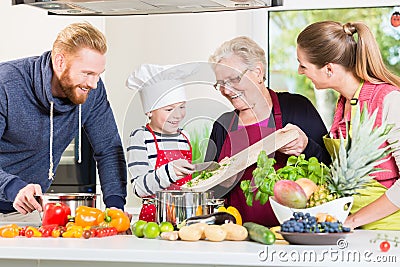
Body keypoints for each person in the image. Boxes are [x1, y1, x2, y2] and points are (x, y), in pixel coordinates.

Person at [0, 22, 127, 222]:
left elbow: (109, 149)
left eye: (98, 75)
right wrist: (12, 187)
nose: (93, 84)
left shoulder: (90, 91)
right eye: (87, 73)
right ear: (60, 62)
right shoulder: (6, 84)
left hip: (29, 211)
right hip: (11, 194)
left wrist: (115, 205)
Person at [204, 36, 330, 227]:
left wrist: (306, 146)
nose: (226, 90)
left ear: (257, 72)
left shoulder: (296, 107)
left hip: (293, 233)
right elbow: (207, 191)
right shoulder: (222, 125)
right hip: (235, 236)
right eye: (220, 83)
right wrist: (223, 182)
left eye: (232, 79)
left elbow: (330, 168)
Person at [296, 20, 400, 230]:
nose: (299, 71)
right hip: (356, 228)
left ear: (328, 69)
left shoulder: (389, 100)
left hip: (389, 233)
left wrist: (351, 221)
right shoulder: (344, 102)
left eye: (303, 65)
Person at [126, 63, 196, 222]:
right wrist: (170, 171)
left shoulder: (184, 136)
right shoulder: (141, 137)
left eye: (182, 107)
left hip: (185, 217)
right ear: (150, 111)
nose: (178, 115)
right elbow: (139, 188)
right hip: (154, 219)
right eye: (169, 109)